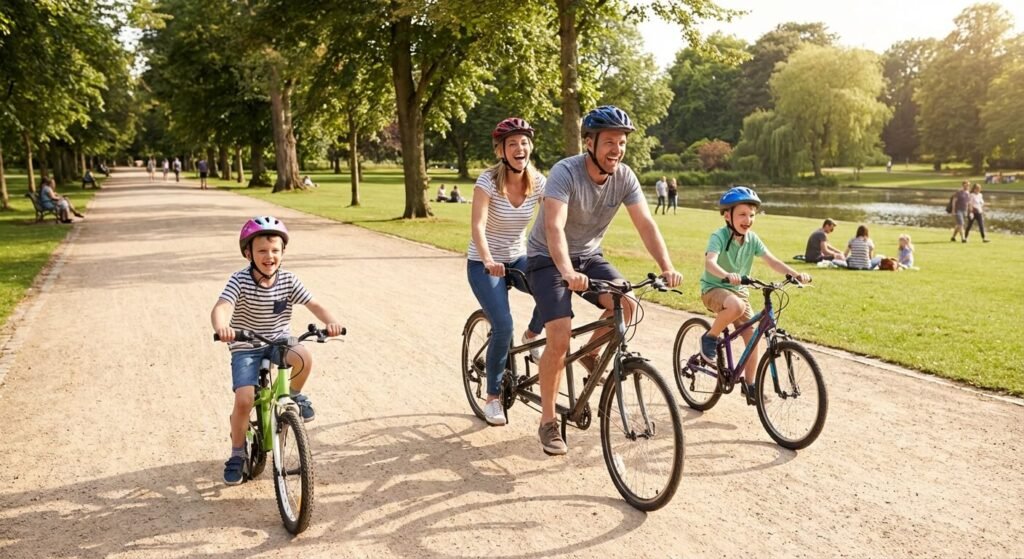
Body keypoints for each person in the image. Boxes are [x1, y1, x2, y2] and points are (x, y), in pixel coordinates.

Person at [526, 105, 682, 455]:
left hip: (589, 256)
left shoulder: (624, 177)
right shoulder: (565, 172)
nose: (617, 149)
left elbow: (645, 223)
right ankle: (548, 421)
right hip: (547, 257)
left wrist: (666, 265)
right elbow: (554, 226)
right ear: (589, 143)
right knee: (559, 335)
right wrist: (567, 271)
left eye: (622, 142)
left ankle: (590, 352)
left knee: (628, 302)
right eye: (610, 141)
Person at [211, 216, 344, 485]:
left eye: (275, 250)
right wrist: (222, 327)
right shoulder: (239, 280)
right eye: (261, 250)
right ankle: (237, 453)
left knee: (304, 357)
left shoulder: (288, 280)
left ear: (283, 253)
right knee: (245, 400)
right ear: (248, 253)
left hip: (278, 340)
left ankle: (294, 395)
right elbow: (222, 306)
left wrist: (331, 322)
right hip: (246, 345)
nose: (269, 256)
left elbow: (314, 304)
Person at [467, 117, 547, 426]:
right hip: (483, 263)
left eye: (524, 142)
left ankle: (532, 335)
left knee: (553, 289)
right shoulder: (487, 181)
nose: (519, 148)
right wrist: (488, 259)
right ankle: (492, 398)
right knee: (503, 326)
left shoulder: (538, 182)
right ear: (501, 151)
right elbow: (477, 226)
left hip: (517, 258)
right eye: (512, 143)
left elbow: (554, 220)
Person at [698, 187, 810, 404]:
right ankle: (710, 337)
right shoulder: (718, 236)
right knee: (736, 306)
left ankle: (750, 386)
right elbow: (710, 262)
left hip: (739, 293)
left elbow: (773, 261)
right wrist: (726, 275)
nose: (748, 220)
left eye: (751, 215)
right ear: (727, 216)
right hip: (713, 288)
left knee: (753, 339)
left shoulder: (752, 239)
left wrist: (795, 275)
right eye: (742, 214)